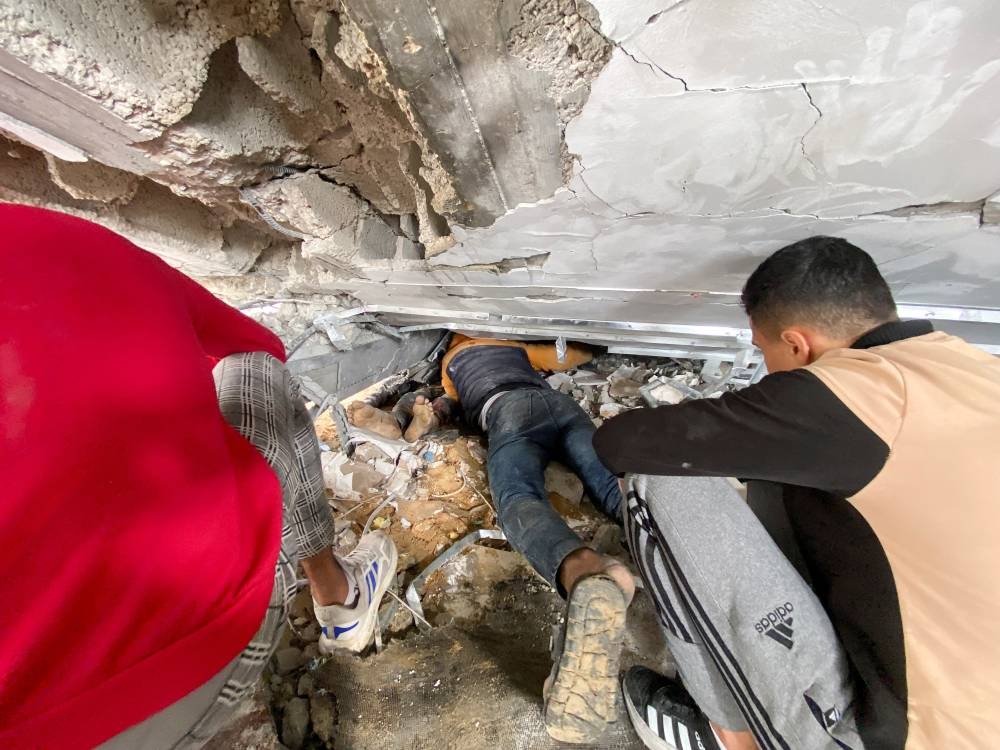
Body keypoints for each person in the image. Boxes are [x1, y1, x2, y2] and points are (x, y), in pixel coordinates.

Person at [0, 205, 397, 750]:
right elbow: (257, 345)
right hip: (182, 661)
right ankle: (339, 598)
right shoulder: (57, 238)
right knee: (254, 371)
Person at [593, 236, 1000, 750]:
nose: (766, 367)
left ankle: (733, 734)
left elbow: (621, 442)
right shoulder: (975, 368)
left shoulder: (850, 399)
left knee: (662, 482)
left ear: (796, 343)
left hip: (913, 737)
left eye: (765, 352)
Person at [349, 333, 635, 743]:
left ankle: (584, 572)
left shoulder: (451, 367)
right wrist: (597, 346)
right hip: (560, 406)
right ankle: (664, 549)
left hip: (508, 410)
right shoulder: (516, 348)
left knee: (520, 498)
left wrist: (428, 414)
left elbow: (452, 406)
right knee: (611, 487)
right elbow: (566, 356)